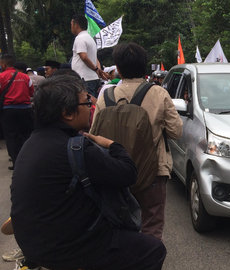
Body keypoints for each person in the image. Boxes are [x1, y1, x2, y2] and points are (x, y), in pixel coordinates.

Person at [10, 75, 166, 269]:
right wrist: (113, 144)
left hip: (32, 245)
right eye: (86, 101)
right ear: (67, 113)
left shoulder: (30, 144)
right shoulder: (77, 147)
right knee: (152, 249)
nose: (91, 105)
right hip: (66, 249)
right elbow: (128, 174)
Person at [91, 42, 183, 240]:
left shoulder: (105, 96)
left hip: (115, 172)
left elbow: (94, 135)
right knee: (152, 223)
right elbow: (176, 132)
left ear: (118, 68)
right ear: (144, 66)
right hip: (153, 172)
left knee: (119, 222)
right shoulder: (159, 93)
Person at [0, 54, 34, 170]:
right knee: (26, 135)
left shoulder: (1, 77)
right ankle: (29, 160)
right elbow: (31, 93)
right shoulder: (25, 77)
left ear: (4, 65)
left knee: (11, 137)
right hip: (25, 109)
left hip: (8, 111)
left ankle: (16, 163)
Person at [71, 14, 105, 97]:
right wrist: (98, 70)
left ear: (76, 25)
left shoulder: (80, 38)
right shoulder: (90, 38)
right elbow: (95, 59)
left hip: (84, 79)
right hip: (92, 78)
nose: (71, 27)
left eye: (71, 24)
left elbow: (84, 57)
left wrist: (96, 69)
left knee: (87, 104)